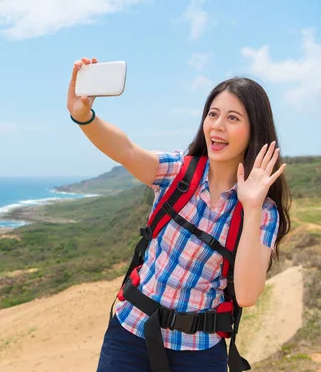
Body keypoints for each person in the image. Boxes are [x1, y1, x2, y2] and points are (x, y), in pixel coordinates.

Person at [67, 57, 292, 372]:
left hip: (197, 351)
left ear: (254, 129)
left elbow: (247, 294)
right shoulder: (179, 171)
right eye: (212, 114)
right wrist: (84, 116)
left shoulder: (263, 212)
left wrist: (252, 206)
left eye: (232, 118)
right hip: (131, 332)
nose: (217, 125)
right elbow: (127, 150)